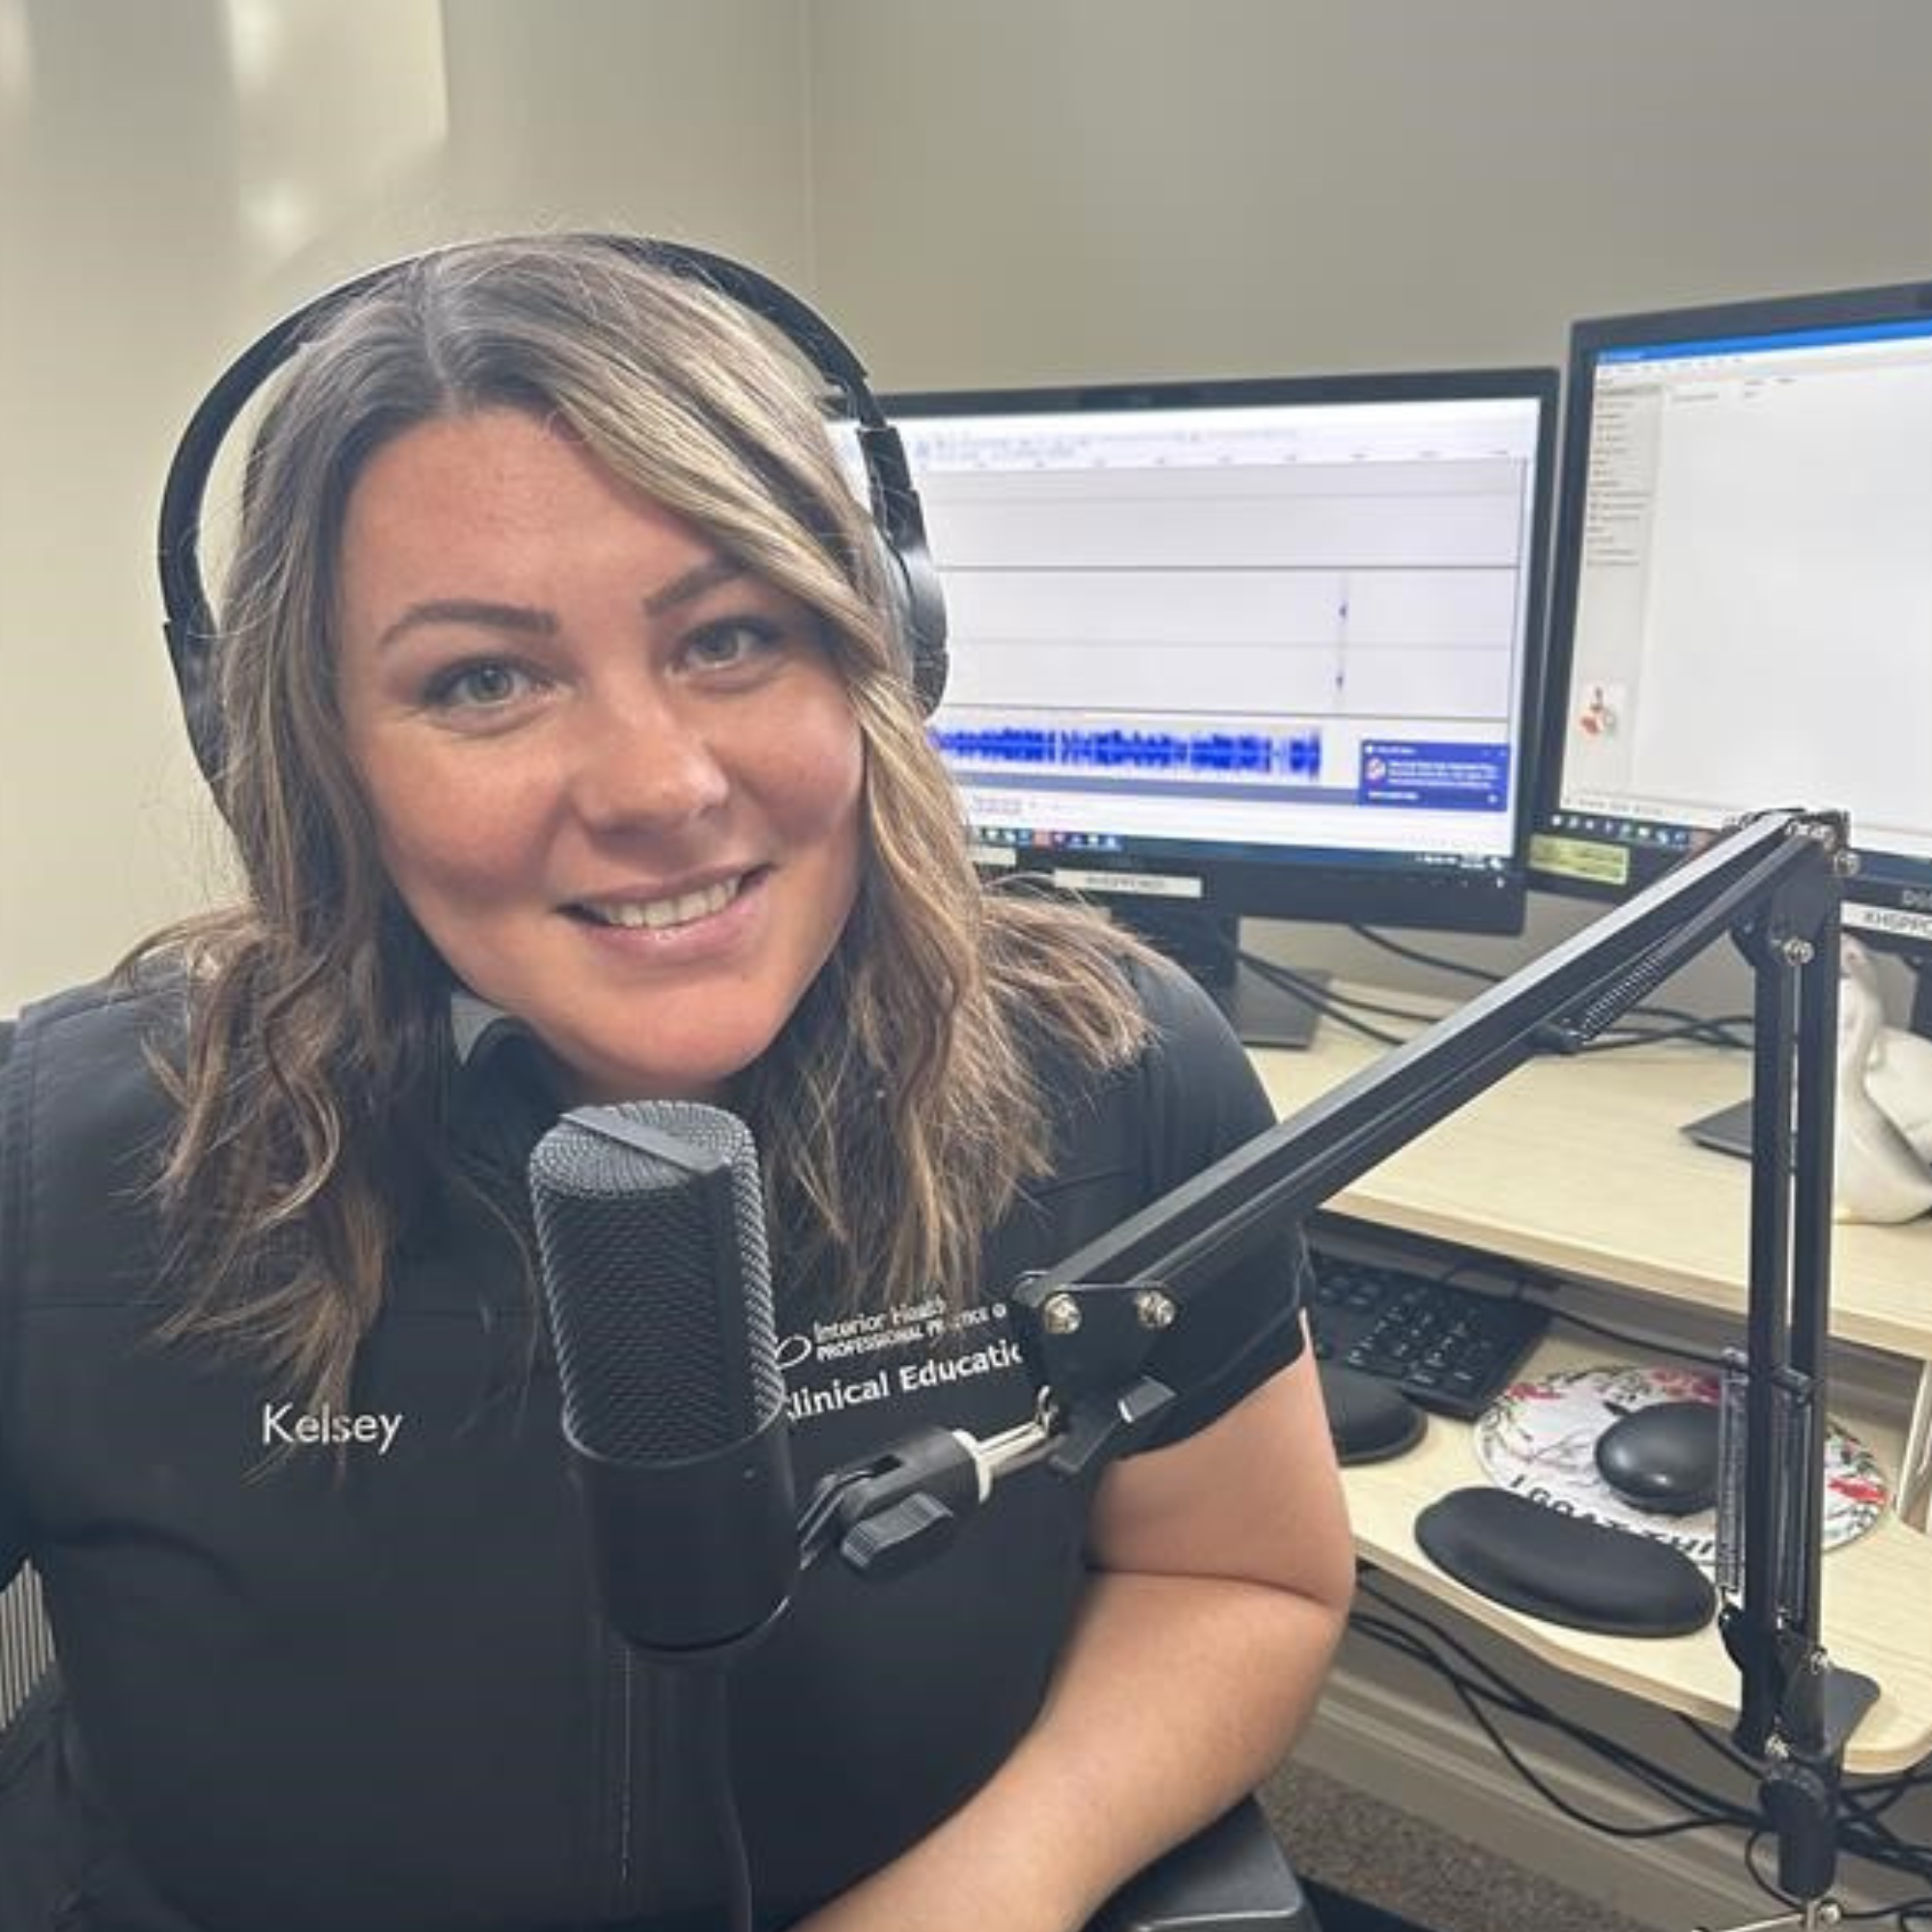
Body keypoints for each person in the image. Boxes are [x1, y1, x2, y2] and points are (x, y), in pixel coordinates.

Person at [0, 234, 1353, 1932]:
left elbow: (1233, 1572)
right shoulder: (56, 1160)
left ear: (881, 656)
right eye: (482, 680)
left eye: (729, 636)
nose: (656, 783)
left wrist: (983, 1889)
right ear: (308, 749)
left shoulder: (1113, 1071)